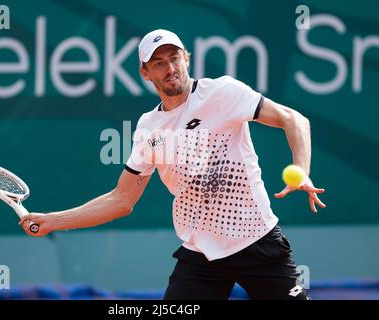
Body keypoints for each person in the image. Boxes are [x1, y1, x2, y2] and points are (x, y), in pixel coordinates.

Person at [20, 29, 326, 300]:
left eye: (174, 58)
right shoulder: (148, 129)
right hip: (200, 256)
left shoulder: (222, 92)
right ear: (146, 73)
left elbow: (292, 118)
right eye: (159, 63)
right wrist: (52, 221)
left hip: (257, 241)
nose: (170, 68)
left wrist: (301, 168)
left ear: (187, 59)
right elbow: (122, 200)